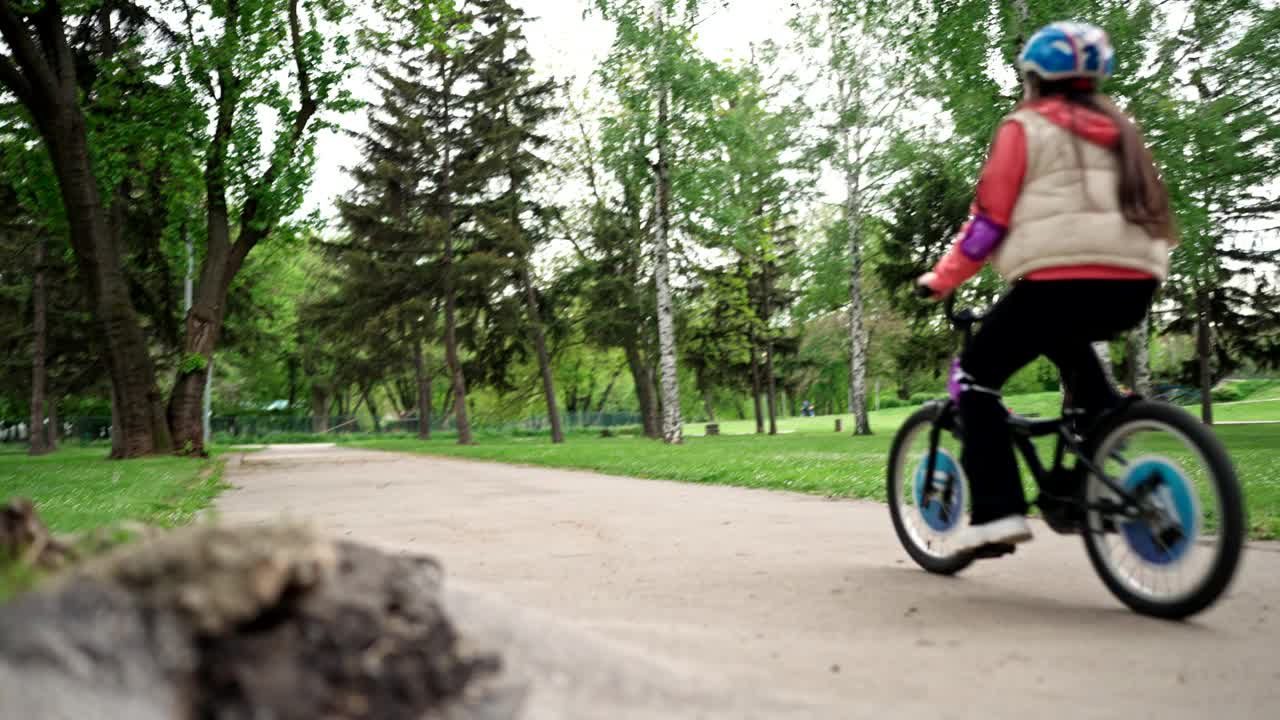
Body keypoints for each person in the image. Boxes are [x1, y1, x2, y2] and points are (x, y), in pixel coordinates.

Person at [917, 21, 1176, 552]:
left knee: (972, 381)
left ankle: (997, 513)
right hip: (1133, 283)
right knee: (1071, 347)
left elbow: (989, 222)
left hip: (1057, 282)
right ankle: (1096, 456)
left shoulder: (1025, 127)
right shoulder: (1125, 130)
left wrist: (941, 280)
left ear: (1032, 78)